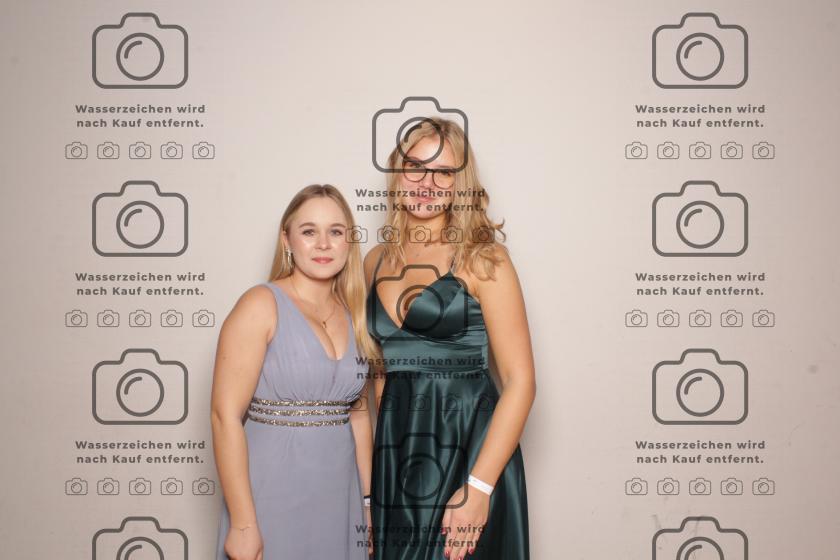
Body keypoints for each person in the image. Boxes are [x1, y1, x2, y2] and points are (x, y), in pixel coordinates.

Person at [364, 118, 535, 560]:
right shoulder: (373, 261)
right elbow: (381, 373)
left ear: (461, 183)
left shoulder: (484, 259)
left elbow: (520, 381)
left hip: (468, 454)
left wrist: (479, 487)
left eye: (443, 172)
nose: (427, 183)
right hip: (397, 457)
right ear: (397, 173)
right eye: (415, 167)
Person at [211, 184, 378, 560]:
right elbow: (224, 417)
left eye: (336, 231)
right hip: (271, 490)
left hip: (340, 495)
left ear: (349, 242)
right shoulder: (260, 304)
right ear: (287, 240)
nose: (323, 244)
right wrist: (243, 524)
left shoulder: (355, 314)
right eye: (308, 231)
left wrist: (367, 506)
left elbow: (359, 416)